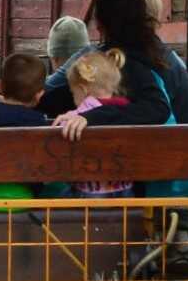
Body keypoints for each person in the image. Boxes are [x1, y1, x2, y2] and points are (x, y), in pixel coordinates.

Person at [43, 0, 171, 135]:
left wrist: (91, 117)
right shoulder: (154, 55)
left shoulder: (126, 61)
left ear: (100, 23)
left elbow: (157, 108)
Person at [55, 50, 133, 195]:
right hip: (125, 190)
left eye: (73, 93)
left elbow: (61, 132)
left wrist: (65, 118)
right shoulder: (127, 109)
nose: (73, 98)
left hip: (90, 190)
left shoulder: (84, 111)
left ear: (83, 90)